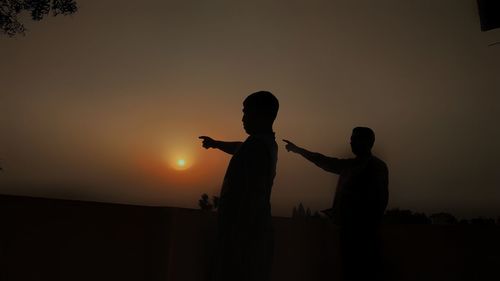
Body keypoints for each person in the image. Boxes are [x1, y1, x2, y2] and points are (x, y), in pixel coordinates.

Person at [283, 127, 388, 281]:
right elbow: (325, 162)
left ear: (368, 142)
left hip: (361, 235)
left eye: (355, 139)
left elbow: (377, 201)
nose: (351, 142)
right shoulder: (357, 165)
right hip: (353, 233)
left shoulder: (372, 167)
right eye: (351, 139)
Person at [199, 91, 279, 281]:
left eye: (247, 112)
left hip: (244, 235)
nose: (243, 118)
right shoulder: (260, 144)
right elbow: (239, 147)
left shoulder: (258, 148)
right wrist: (216, 144)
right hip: (246, 233)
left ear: (262, 114)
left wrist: (236, 235)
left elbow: (251, 196)